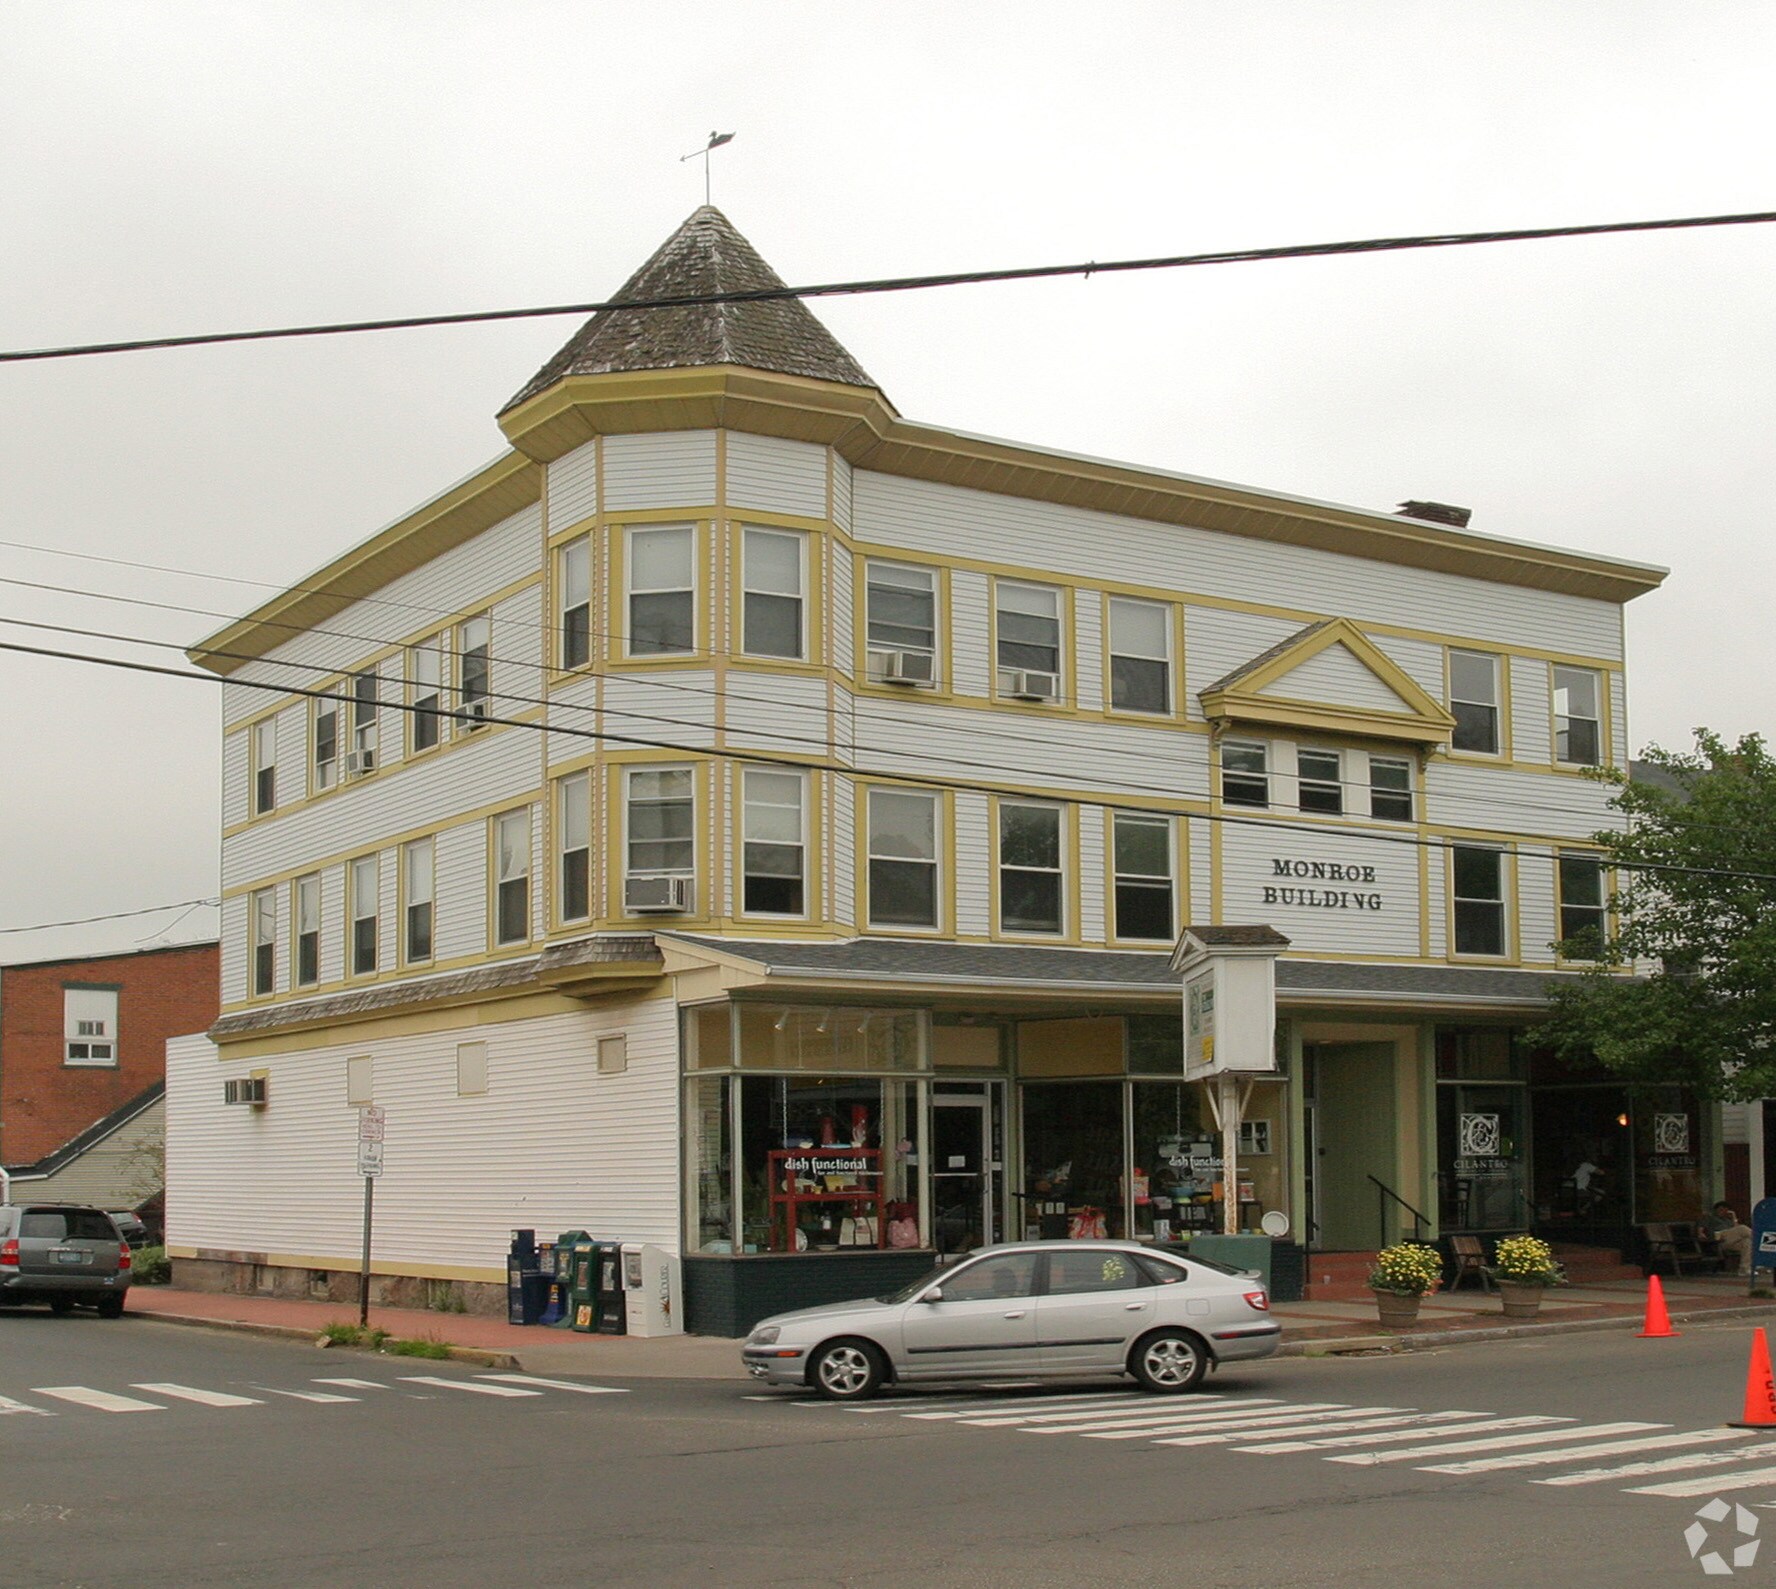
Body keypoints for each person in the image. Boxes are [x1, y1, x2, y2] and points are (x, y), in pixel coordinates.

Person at [1702, 1201, 1753, 1276]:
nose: (1722, 1212)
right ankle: (1761, 1240)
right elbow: (1701, 1227)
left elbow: (1736, 1228)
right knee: (1743, 1228)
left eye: (1725, 1210)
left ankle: (1744, 1269)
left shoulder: (1728, 1220)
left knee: (1747, 1242)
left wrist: (1734, 1216)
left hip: (1729, 1240)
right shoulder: (1710, 1218)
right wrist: (1701, 1233)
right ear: (1715, 1210)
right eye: (1720, 1209)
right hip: (1719, 1239)